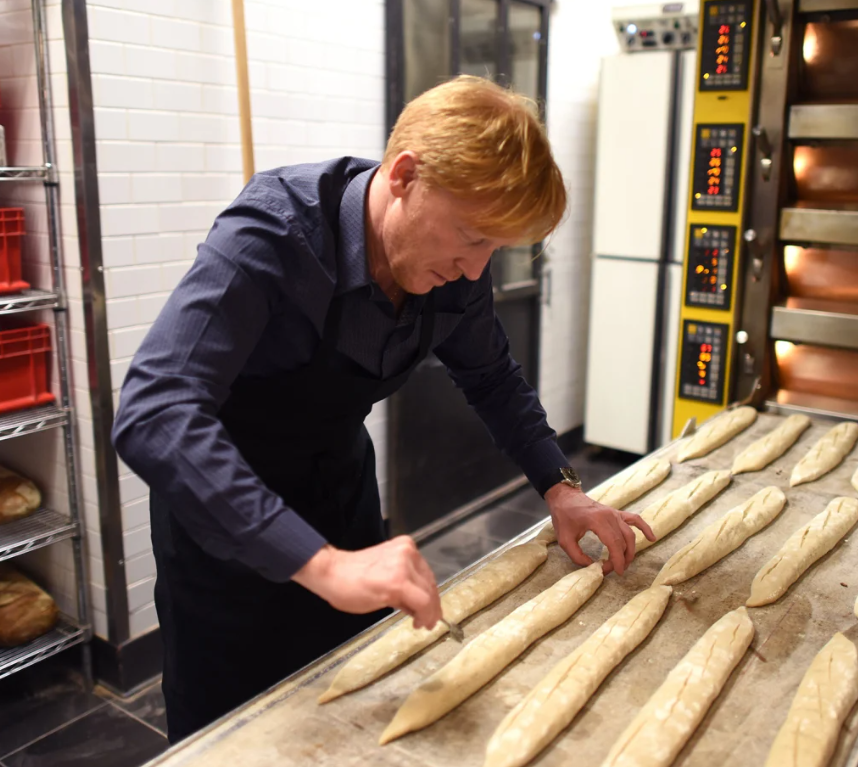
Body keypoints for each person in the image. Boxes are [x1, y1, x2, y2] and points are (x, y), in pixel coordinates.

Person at [111, 75, 655, 743]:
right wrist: (319, 563)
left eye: (493, 249)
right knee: (234, 738)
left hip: (342, 501)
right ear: (404, 177)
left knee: (356, 716)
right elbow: (154, 409)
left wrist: (561, 487)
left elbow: (491, 377)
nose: (475, 270)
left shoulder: (456, 265)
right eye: (471, 238)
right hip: (228, 528)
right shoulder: (274, 234)